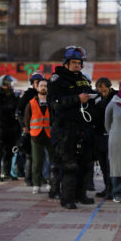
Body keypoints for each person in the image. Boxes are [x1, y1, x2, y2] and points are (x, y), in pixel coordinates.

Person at [47, 45, 97, 209]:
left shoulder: (83, 79)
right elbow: (55, 103)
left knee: (85, 163)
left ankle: (80, 194)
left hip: (83, 127)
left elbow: (87, 97)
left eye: (79, 62)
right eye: (74, 62)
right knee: (69, 164)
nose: (77, 65)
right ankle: (66, 198)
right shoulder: (57, 79)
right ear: (66, 63)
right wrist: (77, 99)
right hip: (65, 129)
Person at [0, 75, 20, 182]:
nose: (11, 86)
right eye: (9, 84)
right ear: (4, 84)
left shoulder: (11, 95)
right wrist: (11, 104)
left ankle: (6, 173)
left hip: (10, 127)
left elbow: (15, 108)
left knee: (9, 152)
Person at [24, 78, 52, 194]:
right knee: (37, 162)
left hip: (50, 135)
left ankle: (51, 182)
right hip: (36, 136)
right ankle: (37, 184)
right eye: (41, 85)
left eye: (45, 85)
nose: (43, 87)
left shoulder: (52, 102)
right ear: (37, 88)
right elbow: (27, 120)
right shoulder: (31, 103)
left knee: (52, 161)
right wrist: (30, 132)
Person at [17, 71, 45, 186]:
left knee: (41, 156)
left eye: (40, 82)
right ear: (32, 83)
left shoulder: (45, 95)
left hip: (43, 130)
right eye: (36, 82)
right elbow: (19, 112)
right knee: (30, 155)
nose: (38, 84)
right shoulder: (28, 95)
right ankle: (29, 178)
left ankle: (39, 177)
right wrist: (24, 126)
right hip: (30, 130)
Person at [93, 77, 117, 199]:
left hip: (112, 136)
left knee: (110, 165)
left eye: (104, 88)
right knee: (103, 164)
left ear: (109, 87)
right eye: (99, 88)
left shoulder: (117, 97)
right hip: (99, 135)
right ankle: (107, 187)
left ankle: (113, 189)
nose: (101, 90)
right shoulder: (97, 97)